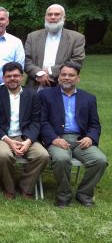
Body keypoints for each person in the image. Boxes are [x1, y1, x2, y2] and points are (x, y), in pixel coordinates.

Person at [39, 63, 108, 207]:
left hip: (81, 140)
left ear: (78, 78)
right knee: (61, 158)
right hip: (57, 138)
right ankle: (64, 193)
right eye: (63, 74)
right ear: (58, 78)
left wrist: (90, 137)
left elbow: (95, 124)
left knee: (100, 160)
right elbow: (42, 121)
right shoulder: (45, 95)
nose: (67, 78)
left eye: (71, 75)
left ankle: (84, 193)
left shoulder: (89, 98)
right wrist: (53, 139)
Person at [0, 62, 49, 199]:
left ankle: (25, 186)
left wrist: (28, 141)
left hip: (25, 136)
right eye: (8, 76)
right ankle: (9, 188)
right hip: (2, 137)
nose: (12, 79)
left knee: (42, 155)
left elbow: (36, 122)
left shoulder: (33, 95)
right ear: (3, 78)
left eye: (15, 76)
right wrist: (9, 141)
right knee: (3, 155)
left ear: (22, 77)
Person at [24, 4, 86, 90]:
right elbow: (26, 60)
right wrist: (39, 73)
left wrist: (51, 71)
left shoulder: (76, 38)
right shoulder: (32, 37)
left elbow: (77, 61)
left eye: (57, 14)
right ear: (45, 17)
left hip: (63, 86)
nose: (53, 17)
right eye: (49, 14)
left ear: (64, 18)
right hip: (35, 85)